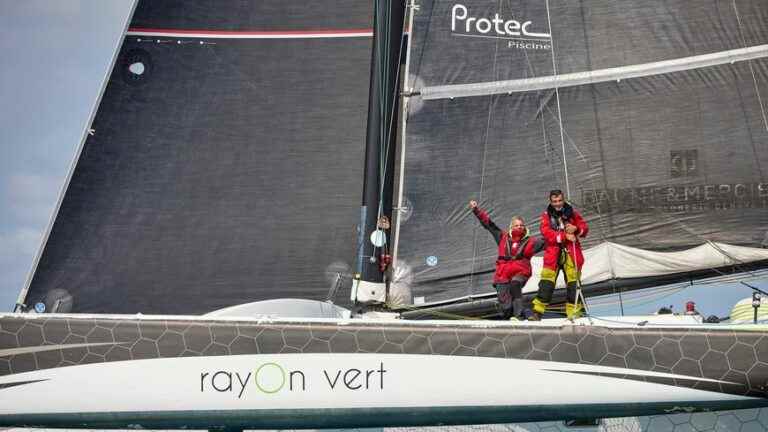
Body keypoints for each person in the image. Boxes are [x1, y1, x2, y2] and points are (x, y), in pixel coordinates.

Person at [469, 200, 544, 320]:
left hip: (521, 272)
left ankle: (519, 315)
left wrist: (564, 234)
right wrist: (476, 210)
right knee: (506, 307)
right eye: (516, 225)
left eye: (521, 225)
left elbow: (549, 241)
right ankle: (515, 313)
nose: (519, 227)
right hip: (502, 274)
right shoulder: (502, 237)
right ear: (511, 227)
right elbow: (489, 225)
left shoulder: (531, 242)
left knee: (515, 284)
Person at [530, 190, 589, 320]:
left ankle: (574, 313)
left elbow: (584, 228)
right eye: (554, 201)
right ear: (551, 202)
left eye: (560, 201)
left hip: (571, 253)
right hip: (553, 254)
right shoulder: (546, 216)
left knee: (574, 284)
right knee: (546, 283)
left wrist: (576, 229)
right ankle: (537, 312)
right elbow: (546, 233)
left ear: (563, 200)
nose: (557, 204)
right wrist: (564, 236)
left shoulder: (572, 213)